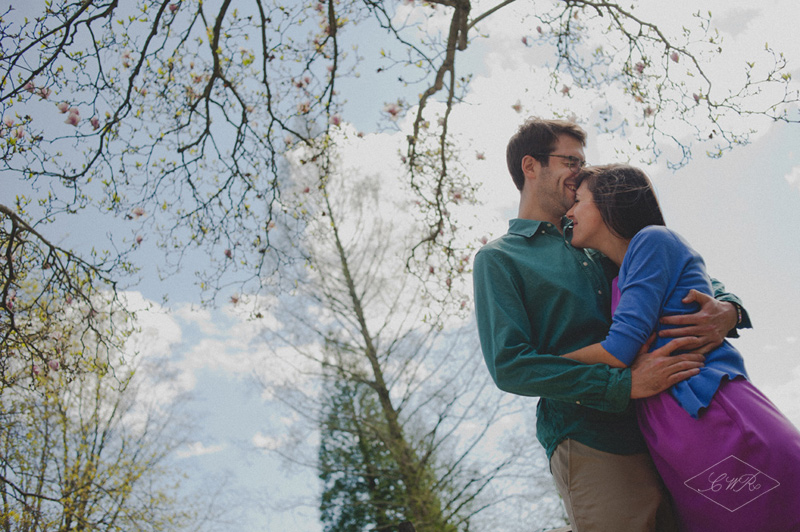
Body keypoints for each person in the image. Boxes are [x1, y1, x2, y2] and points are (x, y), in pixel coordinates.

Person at [472, 118, 750, 532]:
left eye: (583, 163)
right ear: (530, 167)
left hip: (672, 427)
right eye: (571, 160)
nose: (581, 172)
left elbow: (681, 269)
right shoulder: (500, 260)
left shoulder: (599, 231)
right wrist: (622, 385)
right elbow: (510, 365)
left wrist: (729, 309)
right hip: (592, 440)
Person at [563, 164, 800, 531]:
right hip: (674, 430)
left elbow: (620, 349)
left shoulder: (653, 240)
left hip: (713, 417)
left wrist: (544, 363)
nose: (569, 212)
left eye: (578, 201)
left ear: (608, 202)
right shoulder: (622, 272)